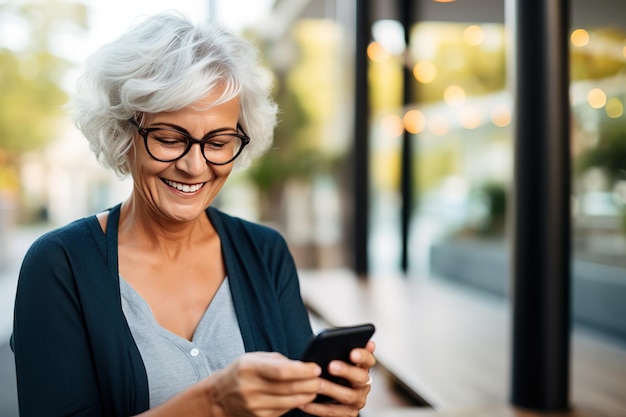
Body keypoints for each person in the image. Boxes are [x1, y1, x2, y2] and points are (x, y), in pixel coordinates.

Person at [11, 10, 376, 417]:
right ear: (121, 133)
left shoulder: (265, 252)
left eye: (218, 142)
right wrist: (213, 401)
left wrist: (333, 402)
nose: (195, 166)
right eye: (169, 139)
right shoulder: (60, 266)